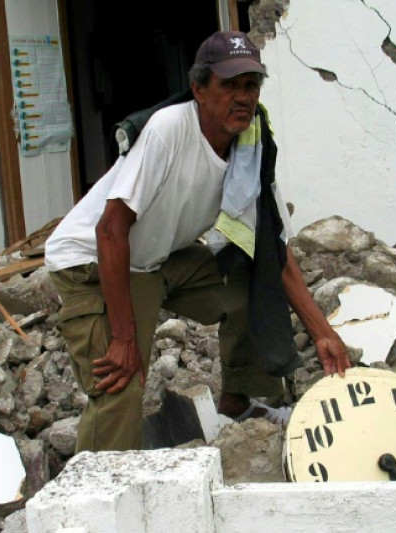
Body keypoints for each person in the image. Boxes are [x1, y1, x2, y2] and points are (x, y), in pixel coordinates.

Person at [45, 30, 350, 453]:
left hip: (154, 259)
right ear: (199, 89)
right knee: (120, 376)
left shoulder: (252, 143)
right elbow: (110, 230)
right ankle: (93, 495)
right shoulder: (169, 130)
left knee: (251, 268)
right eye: (229, 85)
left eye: (251, 85)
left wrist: (323, 332)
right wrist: (123, 337)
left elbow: (274, 254)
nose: (242, 97)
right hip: (91, 262)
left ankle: (238, 401)